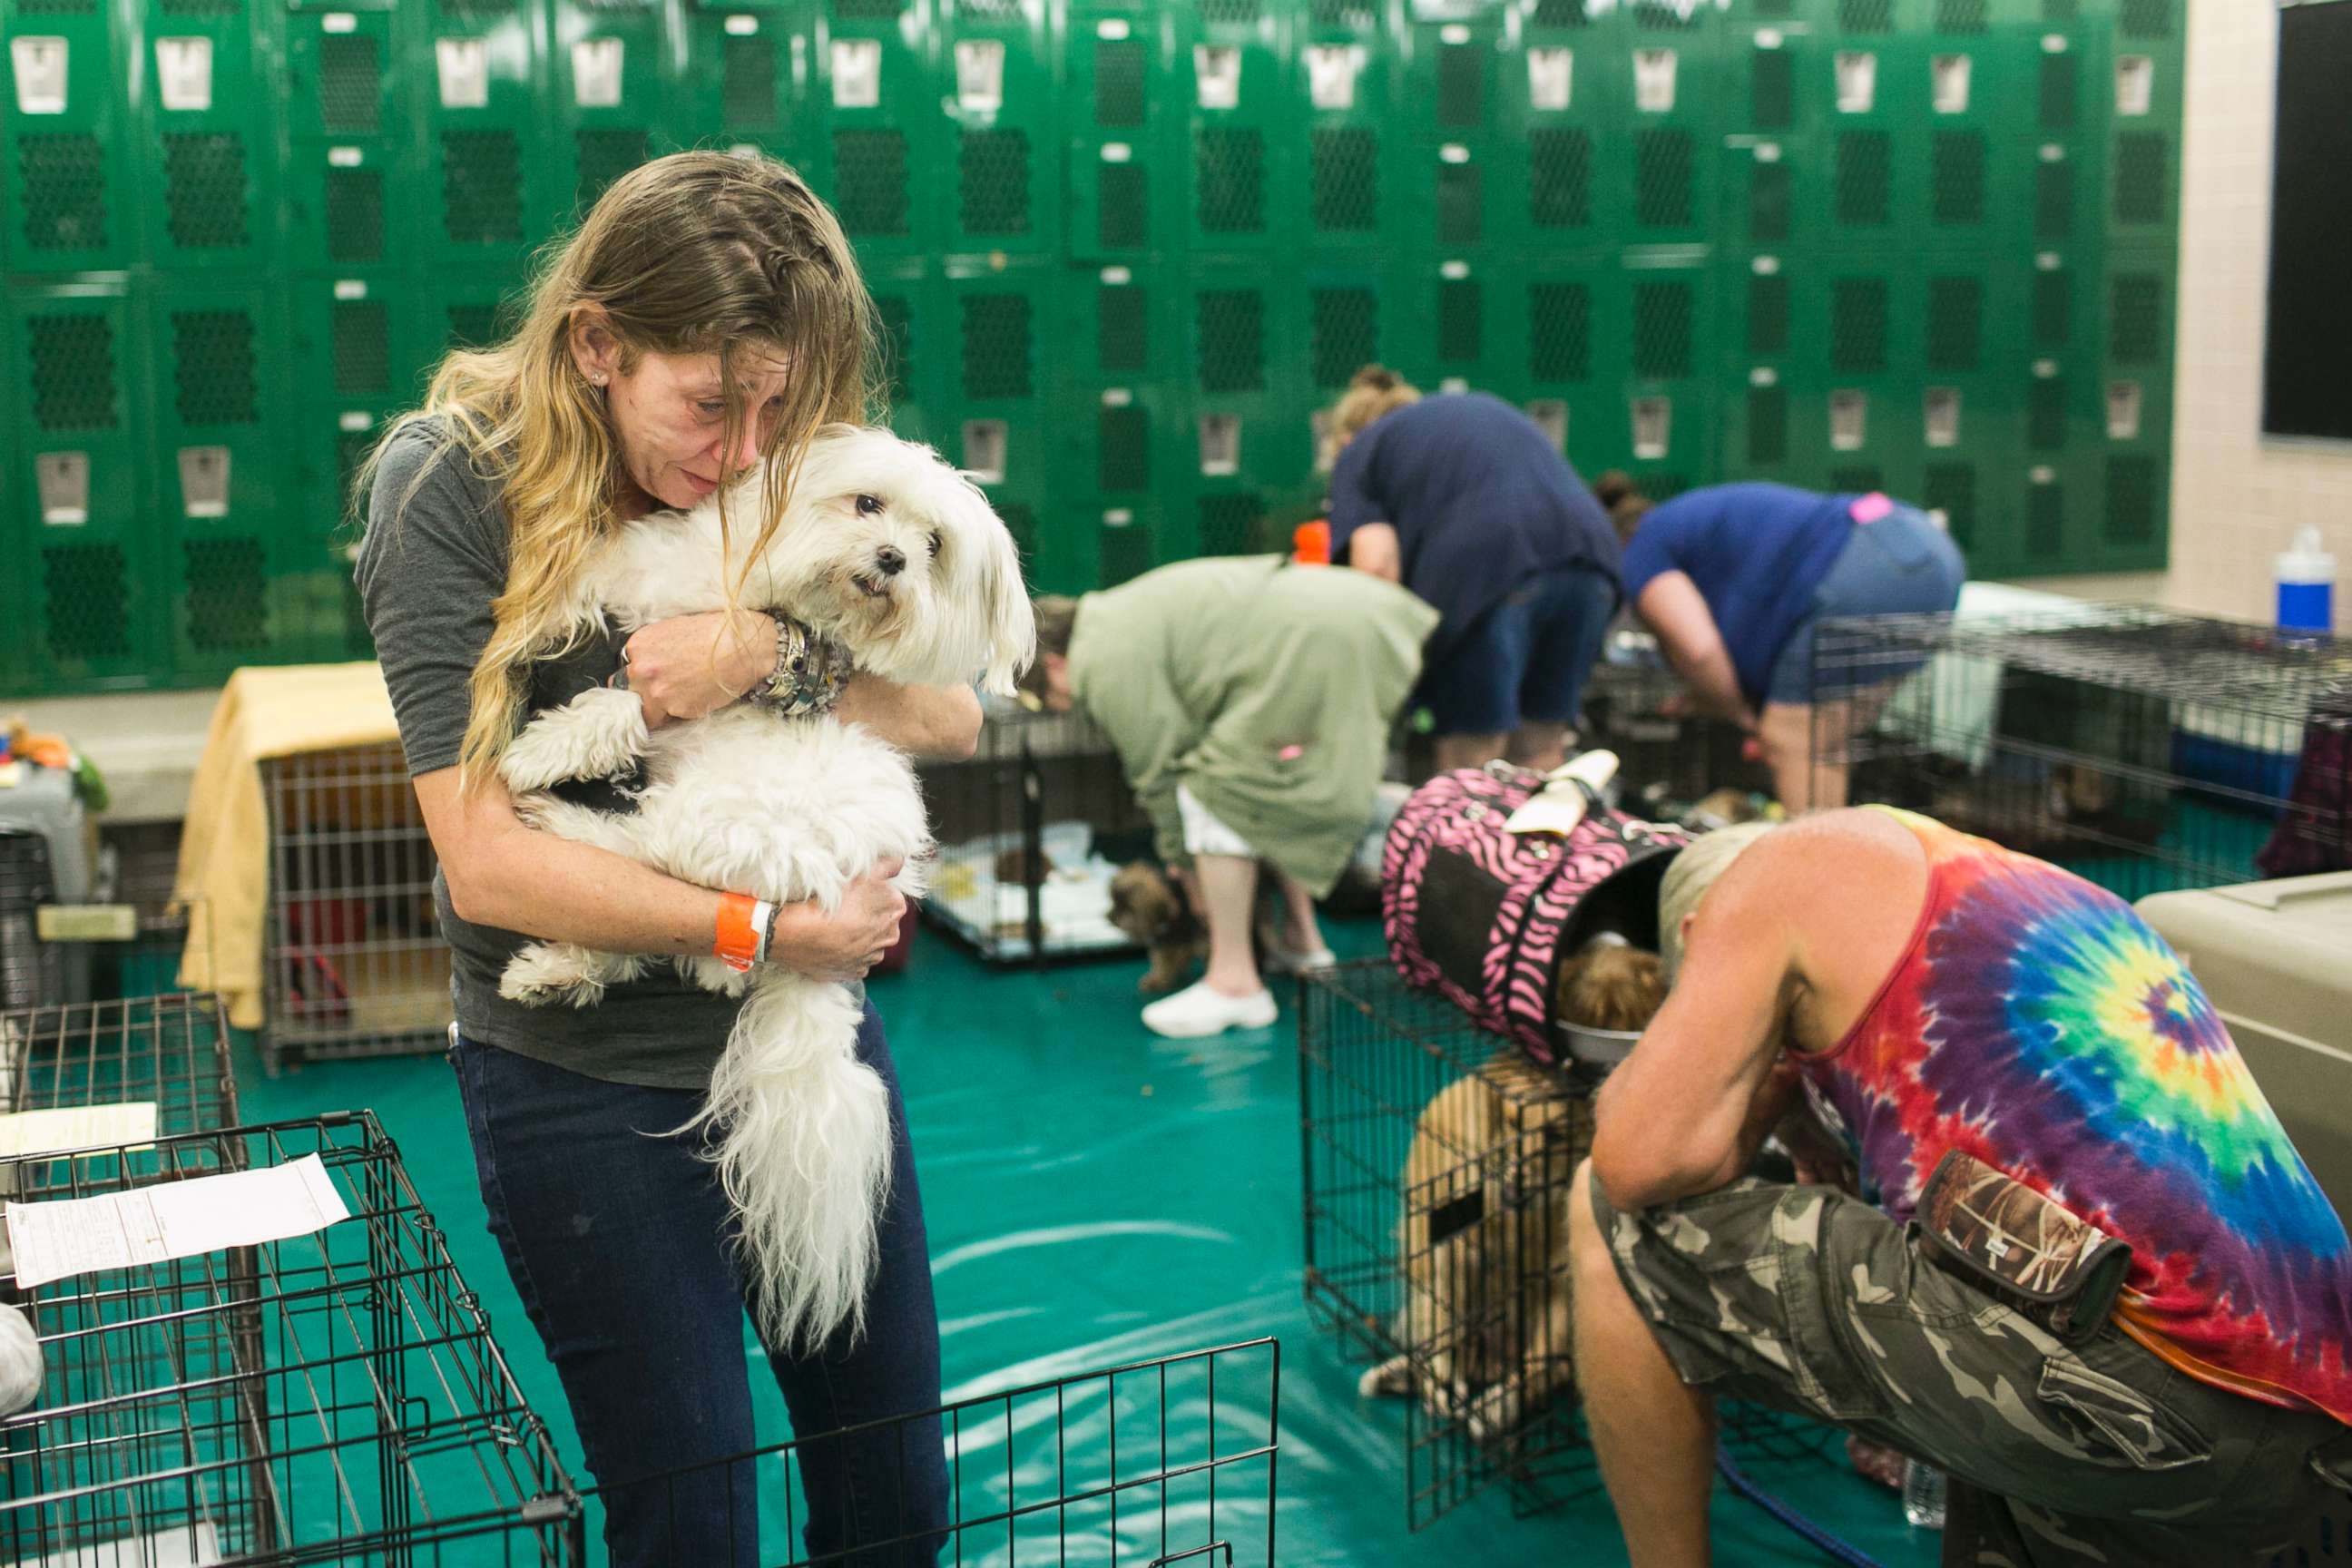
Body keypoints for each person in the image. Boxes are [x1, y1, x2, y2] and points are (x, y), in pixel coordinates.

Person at [355, 152, 975, 1565]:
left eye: (777, 406)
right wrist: (766, 928)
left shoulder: (783, 452)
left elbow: (947, 703)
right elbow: (489, 866)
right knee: (694, 1514)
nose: (748, 449)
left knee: (895, 1491)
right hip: (587, 1076)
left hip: (805, 1031)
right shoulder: (448, 486)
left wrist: (778, 653)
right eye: (711, 405)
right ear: (595, 345)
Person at [1570, 808, 2352, 1567]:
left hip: (2138, 1394)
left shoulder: (1765, 880)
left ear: (1695, 934)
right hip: (2302, 1426)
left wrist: (1757, 1080)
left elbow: (1635, 1164)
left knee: (1605, 1213)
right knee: (1975, 1292)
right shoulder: (2015, 889)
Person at [1021, 555, 1436, 1038]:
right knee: (1265, 787)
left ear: (1054, 662)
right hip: (1348, 618)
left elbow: (1161, 772)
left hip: (1320, 639)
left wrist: (1188, 873)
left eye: (1045, 697)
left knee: (1218, 788)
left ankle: (1235, 983)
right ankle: (1303, 939)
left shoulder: (1103, 659)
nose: (1058, 708)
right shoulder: (1113, 616)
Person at [1324, 368, 1622, 777]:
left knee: (1472, 759)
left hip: (1490, 570)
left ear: (1343, 439)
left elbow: (1376, 569)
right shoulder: (1469, 414)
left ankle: (1464, 838)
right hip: (1592, 562)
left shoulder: (1361, 451)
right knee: (1538, 750)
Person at [1606, 478, 1965, 812]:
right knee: (1825, 745)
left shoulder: (1642, 548)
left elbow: (1699, 650)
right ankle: (1841, 854)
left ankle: (1814, 873)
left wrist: (1742, 716)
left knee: (1792, 740)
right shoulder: (1686, 518)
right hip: (1926, 548)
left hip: (1866, 570)